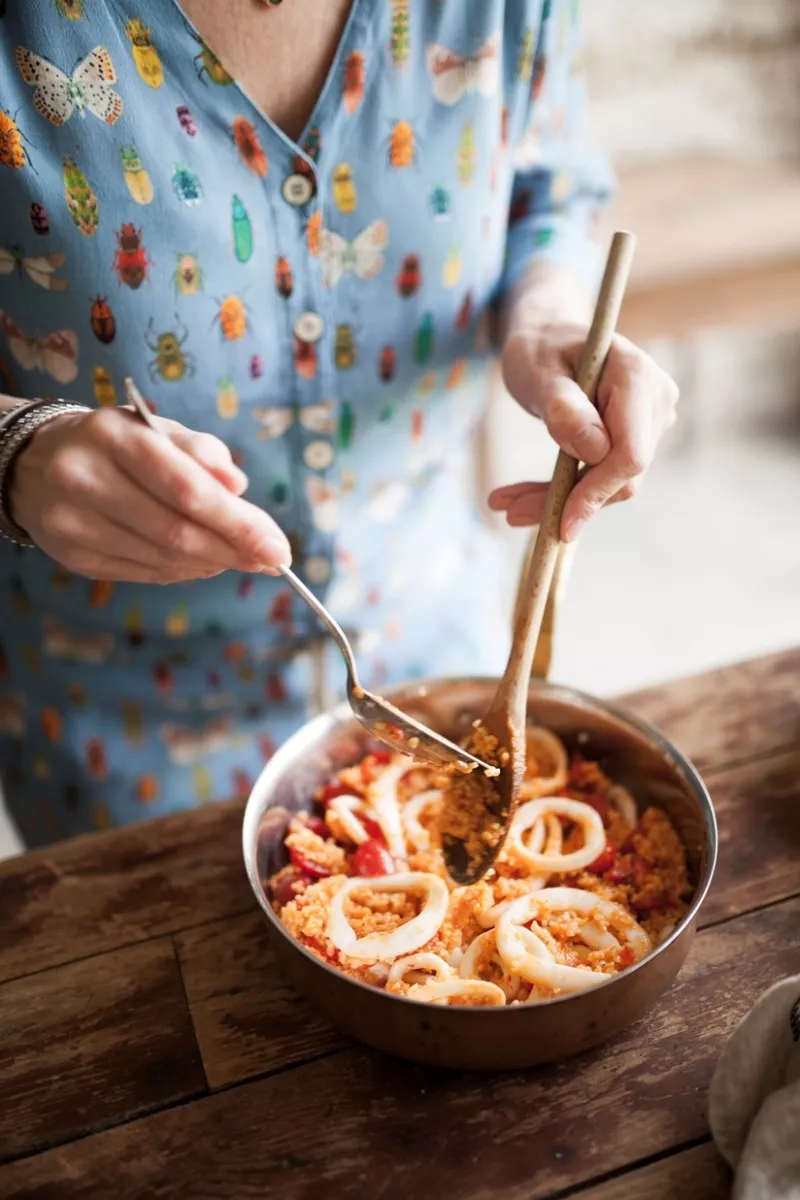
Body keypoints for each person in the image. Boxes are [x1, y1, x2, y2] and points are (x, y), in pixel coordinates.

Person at [0, 0, 678, 847]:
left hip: (439, 644)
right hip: (114, 730)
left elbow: (552, 186)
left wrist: (547, 314)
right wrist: (14, 451)